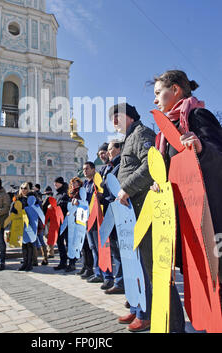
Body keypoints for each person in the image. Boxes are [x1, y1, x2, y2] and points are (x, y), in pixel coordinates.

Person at [150, 69, 222, 332]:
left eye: (159, 93)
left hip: (211, 213)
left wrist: (201, 146)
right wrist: (161, 181)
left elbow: (218, 150)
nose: (155, 100)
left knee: (218, 275)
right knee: (198, 275)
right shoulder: (165, 129)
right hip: (184, 215)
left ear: (176, 90)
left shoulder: (196, 115)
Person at [109, 102, 155, 332]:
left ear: (127, 116)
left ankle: (147, 314)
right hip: (130, 213)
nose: (113, 122)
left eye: (115, 117)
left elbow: (152, 165)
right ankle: (137, 308)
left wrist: (126, 188)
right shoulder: (129, 139)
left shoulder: (142, 133)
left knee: (145, 265)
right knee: (133, 264)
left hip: (142, 208)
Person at [100, 140, 125, 295]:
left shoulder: (120, 164)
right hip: (110, 211)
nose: (107, 152)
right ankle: (119, 281)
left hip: (118, 210)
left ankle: (122, 282)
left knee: (122, 249)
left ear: (119, 149)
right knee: (115, 249)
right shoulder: (109, 167)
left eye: (109, 149)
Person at [83, 161, 113, 285]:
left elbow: (102, 194)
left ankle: (107, 276)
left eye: (87, 169)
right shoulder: (86, 184)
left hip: (97, 217)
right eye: (84, 169)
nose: (85, 171)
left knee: (101, 247)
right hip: (88, 218)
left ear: (93, 169)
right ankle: (98, 273)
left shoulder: (97, 180)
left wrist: (99, 196)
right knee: (93, 248)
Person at [66, 177, 84, 272]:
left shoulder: (80, 193)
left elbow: (82, 205)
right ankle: (71, 262)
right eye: (72, 183)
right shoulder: (72, 194)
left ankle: (73, 263)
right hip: (72, 220)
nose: (74, 185)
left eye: (76, 183)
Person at [53, 177, 69, 271]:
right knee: (59, 242)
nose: (55, 185)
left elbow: (68, 203)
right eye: (55, 184)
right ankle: (62, 261)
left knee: (68, 242)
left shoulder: (65, 192)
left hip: (66, 220)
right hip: (58, 220)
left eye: (56, 184)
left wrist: (59, 205)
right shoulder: (57, 193)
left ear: (61, 183)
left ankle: (71, 262)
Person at [42, 186, 55, 259]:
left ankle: (50, 252)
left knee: (49, 236)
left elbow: (43, 208)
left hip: (48, 220)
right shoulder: (53, 198)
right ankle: (50, 251)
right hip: (51, 220)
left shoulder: (48, 199)